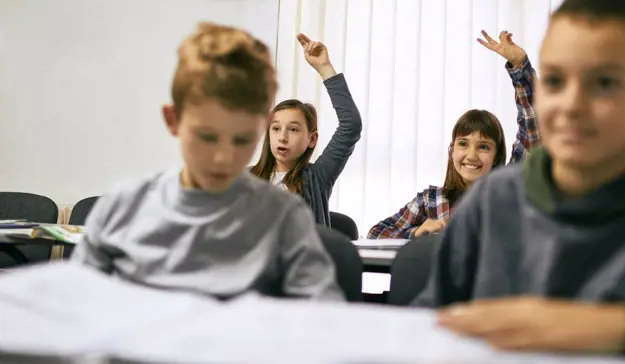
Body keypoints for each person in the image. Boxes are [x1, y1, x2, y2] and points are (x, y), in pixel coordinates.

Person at [418, 0, 625, 359]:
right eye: (555, 81)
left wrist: (600, 326)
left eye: (605, 83)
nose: (571, 105)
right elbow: (433, 320)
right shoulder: (493, 200)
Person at [72, 23, 344, 302]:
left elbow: (321, 321)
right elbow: (74, 311)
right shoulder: (123, 207)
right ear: (173, 120)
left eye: (242, 140)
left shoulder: (286, 218)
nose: (223, 158)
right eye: (206, 136)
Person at [366, 31, 540, 239]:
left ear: (496, 156)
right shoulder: (430, 201)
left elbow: (533, 127)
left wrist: (520, 65)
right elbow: (376, 234)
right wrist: (417, 232)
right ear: (452, 150)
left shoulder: (508, 193)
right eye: (463, 144)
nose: (472, 155)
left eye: (484, 146)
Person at [251, 33, 362, 227]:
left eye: (293, 130)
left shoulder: (316, 178)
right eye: (276, 128)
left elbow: (351, 125)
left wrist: (324, 68)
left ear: (312, 139)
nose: (282, 137)